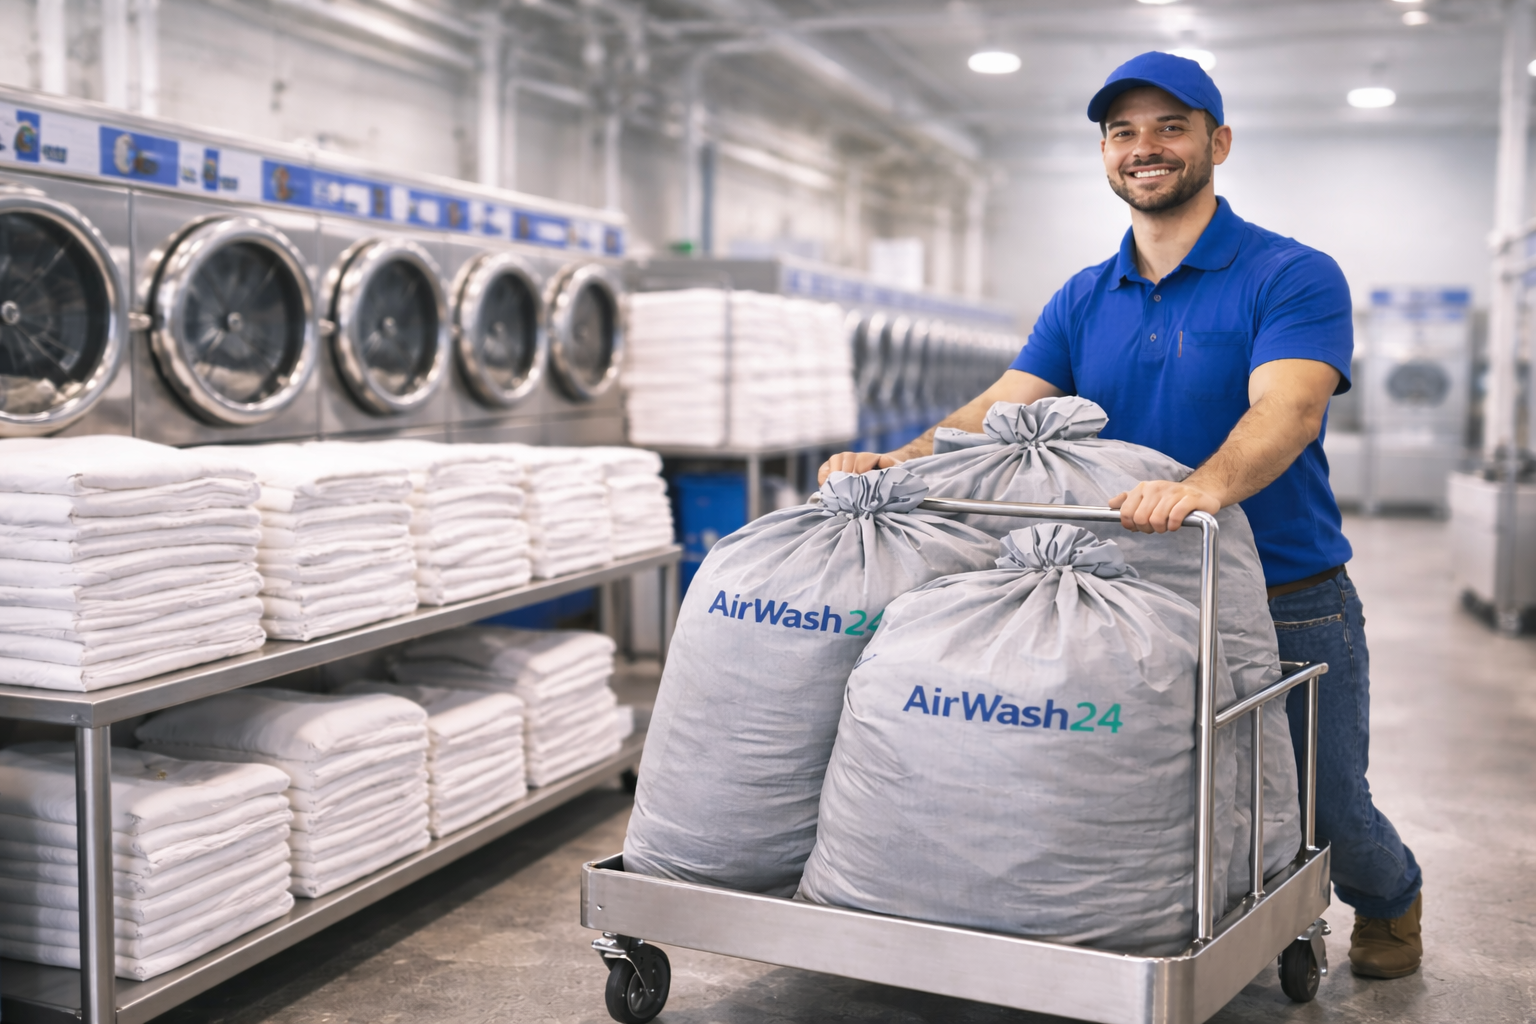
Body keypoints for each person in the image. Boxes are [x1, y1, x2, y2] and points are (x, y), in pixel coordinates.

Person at [817, 51, 1423, 980]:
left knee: (1323, 805)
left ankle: (1390, 896)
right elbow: (1003, 405)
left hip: (1284, 589)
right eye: (1122, 132)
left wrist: (1203, 488)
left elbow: (1289, 408)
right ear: (1106, 154)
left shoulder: (1289, 274)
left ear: (1217, 142)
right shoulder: (1084, 295)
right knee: (1142, 789)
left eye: (1170, 127)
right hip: (1125, 587)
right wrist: (896, 463)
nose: (1145, 148)